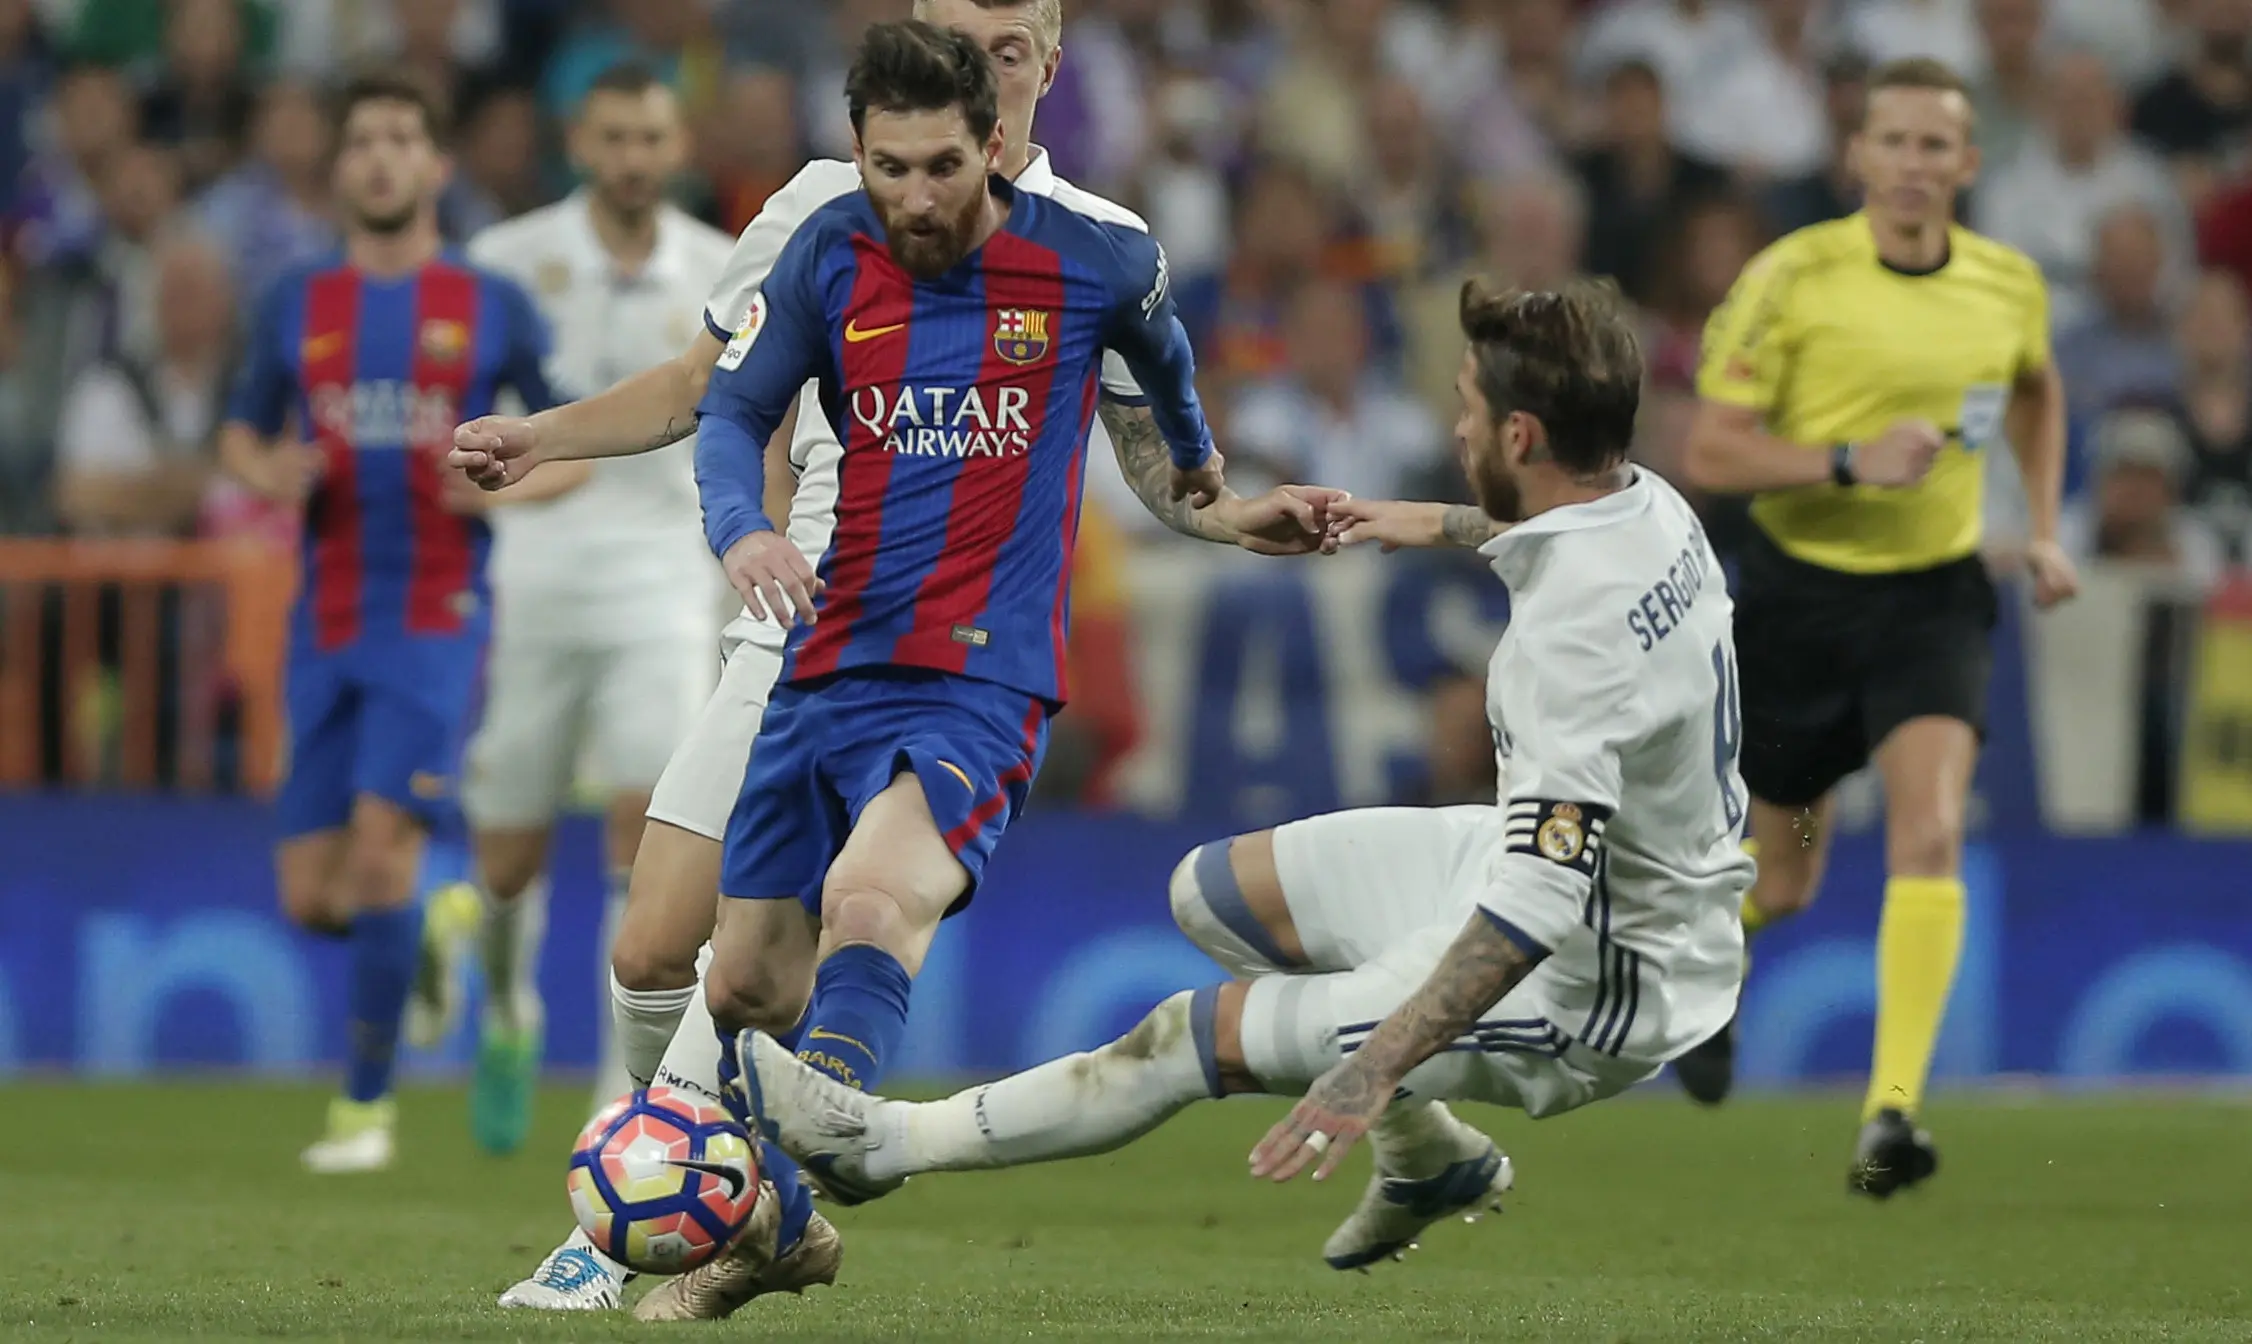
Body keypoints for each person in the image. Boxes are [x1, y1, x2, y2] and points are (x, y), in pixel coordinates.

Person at [448, 0, 1336, 1317]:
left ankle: (672, 1213)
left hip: (968, 658)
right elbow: (709, 387)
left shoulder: (1101, 250)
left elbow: (1161, 458)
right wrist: (552, 436)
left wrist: (1233, 515)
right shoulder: (821, 212)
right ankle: (732, 1195)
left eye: (1009, 50)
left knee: (867, 909)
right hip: (801, 624)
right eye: (956, 42)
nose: (983, 68)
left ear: (1042, 63)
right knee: (659, 957)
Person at [739, 277, 1754, 1273]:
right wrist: (1425, 521)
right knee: (1220, 897)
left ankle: (882, 1145)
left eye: (1468, 412)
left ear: (1520, 438)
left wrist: (1371, 1069)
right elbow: (1547, 539)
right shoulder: (1640, 501)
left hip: (1598, 969)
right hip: (1541, 862)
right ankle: (1429, 1158)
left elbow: (1537, 905)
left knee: (1189, 1034)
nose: (1455, 430)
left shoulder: (1571, 646)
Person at [1678, 57, 2079, 1195]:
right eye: (1890, 142)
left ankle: (1888, 1116)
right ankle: (1721, 967)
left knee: (1929, 833)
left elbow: (2038, 392)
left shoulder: (2007, 285)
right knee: (1789, 874)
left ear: (1967, 162)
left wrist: (2039, 526)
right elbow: (1709, 449)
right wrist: (1846, 462)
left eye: (1932, 145)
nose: (1910, 165)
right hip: (1800, 599)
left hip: (1930, 600)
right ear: (1856, 156)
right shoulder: (1788, 276)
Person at [218, 71, 568, 1174]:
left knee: (378, 857)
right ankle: (436, 934)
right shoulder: (294, 303)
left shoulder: (488, 304)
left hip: (434, 613)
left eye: (400, 139)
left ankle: (363, 1112)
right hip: (322, 618)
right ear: (338, 171)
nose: (379, 157)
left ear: (435, 168)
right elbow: (236, 434)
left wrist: (513, 479)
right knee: (310, 895)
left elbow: (563, 446)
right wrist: (269, 466)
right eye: (361, 139)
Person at [406, 63, 739, 1156]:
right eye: (615, 137)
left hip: (660, 578)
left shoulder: (715, 267)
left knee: (645, 835)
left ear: (674, 144)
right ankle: (505, 1008)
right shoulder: (506, 264)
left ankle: (616, 1090)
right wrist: (508, 481)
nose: (634, 157)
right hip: (530, 575)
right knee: (505, 854)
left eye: (651, 136)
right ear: (578, 141)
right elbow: (446, 434)